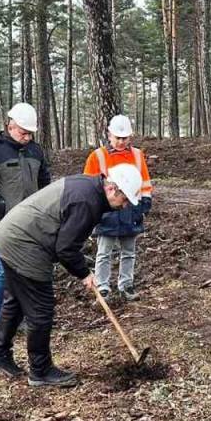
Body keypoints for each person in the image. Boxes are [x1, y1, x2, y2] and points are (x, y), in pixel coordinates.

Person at [0, 164, 144, 387]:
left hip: (10, 235)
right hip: (23, 243)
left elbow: (66, 241)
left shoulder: (89, 189)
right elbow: (65, 248)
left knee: (17, 301)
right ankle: (40, 371)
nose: (125, 205)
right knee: (41, 308)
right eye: (125, 199)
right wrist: (84, 273)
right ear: (112, 189)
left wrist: (82, 268)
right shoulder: (87, 201)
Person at [0, 103, 51, 342]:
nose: (27, 138)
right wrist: (4, 210)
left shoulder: (35, 151)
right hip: (3, 225)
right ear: (10, 126)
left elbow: (45, 184)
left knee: (27, 273)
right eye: (23, 133)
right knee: (1, 273)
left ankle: (21, 319)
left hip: (32, 226)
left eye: (30, 134)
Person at [83, 114, 154, 301]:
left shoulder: (137, 155)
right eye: (118, 138)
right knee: (104, 251)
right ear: (109, 135)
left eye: (125, 138)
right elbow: (88, 185)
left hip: (130, 209)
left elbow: (145, 181)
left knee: (129, 251)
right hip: (106, 210)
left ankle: (126, 285)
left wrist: (145, 200)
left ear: (130, 137)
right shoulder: (97, 156)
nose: (121, 142)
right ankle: (103, 287)